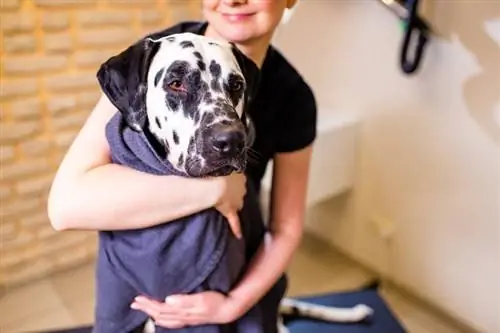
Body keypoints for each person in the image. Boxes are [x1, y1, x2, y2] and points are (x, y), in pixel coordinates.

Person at [48, 0, 317, 330]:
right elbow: (65, 206)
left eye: (235, 88)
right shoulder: (154, 58)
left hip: (231, 261)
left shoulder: (294, 97)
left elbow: (285, 229)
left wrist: (232, 305)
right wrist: (216, 187)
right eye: (177, 86)